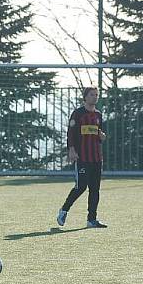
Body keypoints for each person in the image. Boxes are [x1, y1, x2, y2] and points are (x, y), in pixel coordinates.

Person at [57, 86, 107, 228]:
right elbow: (71, 133)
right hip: (83, 158)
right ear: (85, 97)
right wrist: (71, 150)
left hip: (96, 158)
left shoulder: (98, 115)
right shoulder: (78, 114)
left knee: (95, 189)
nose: (95, 97)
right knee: (81, 187)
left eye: (96, 95)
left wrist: (102, 137)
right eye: (92, 95)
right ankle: (64, 210)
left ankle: (91, 220)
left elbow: (99, 134)